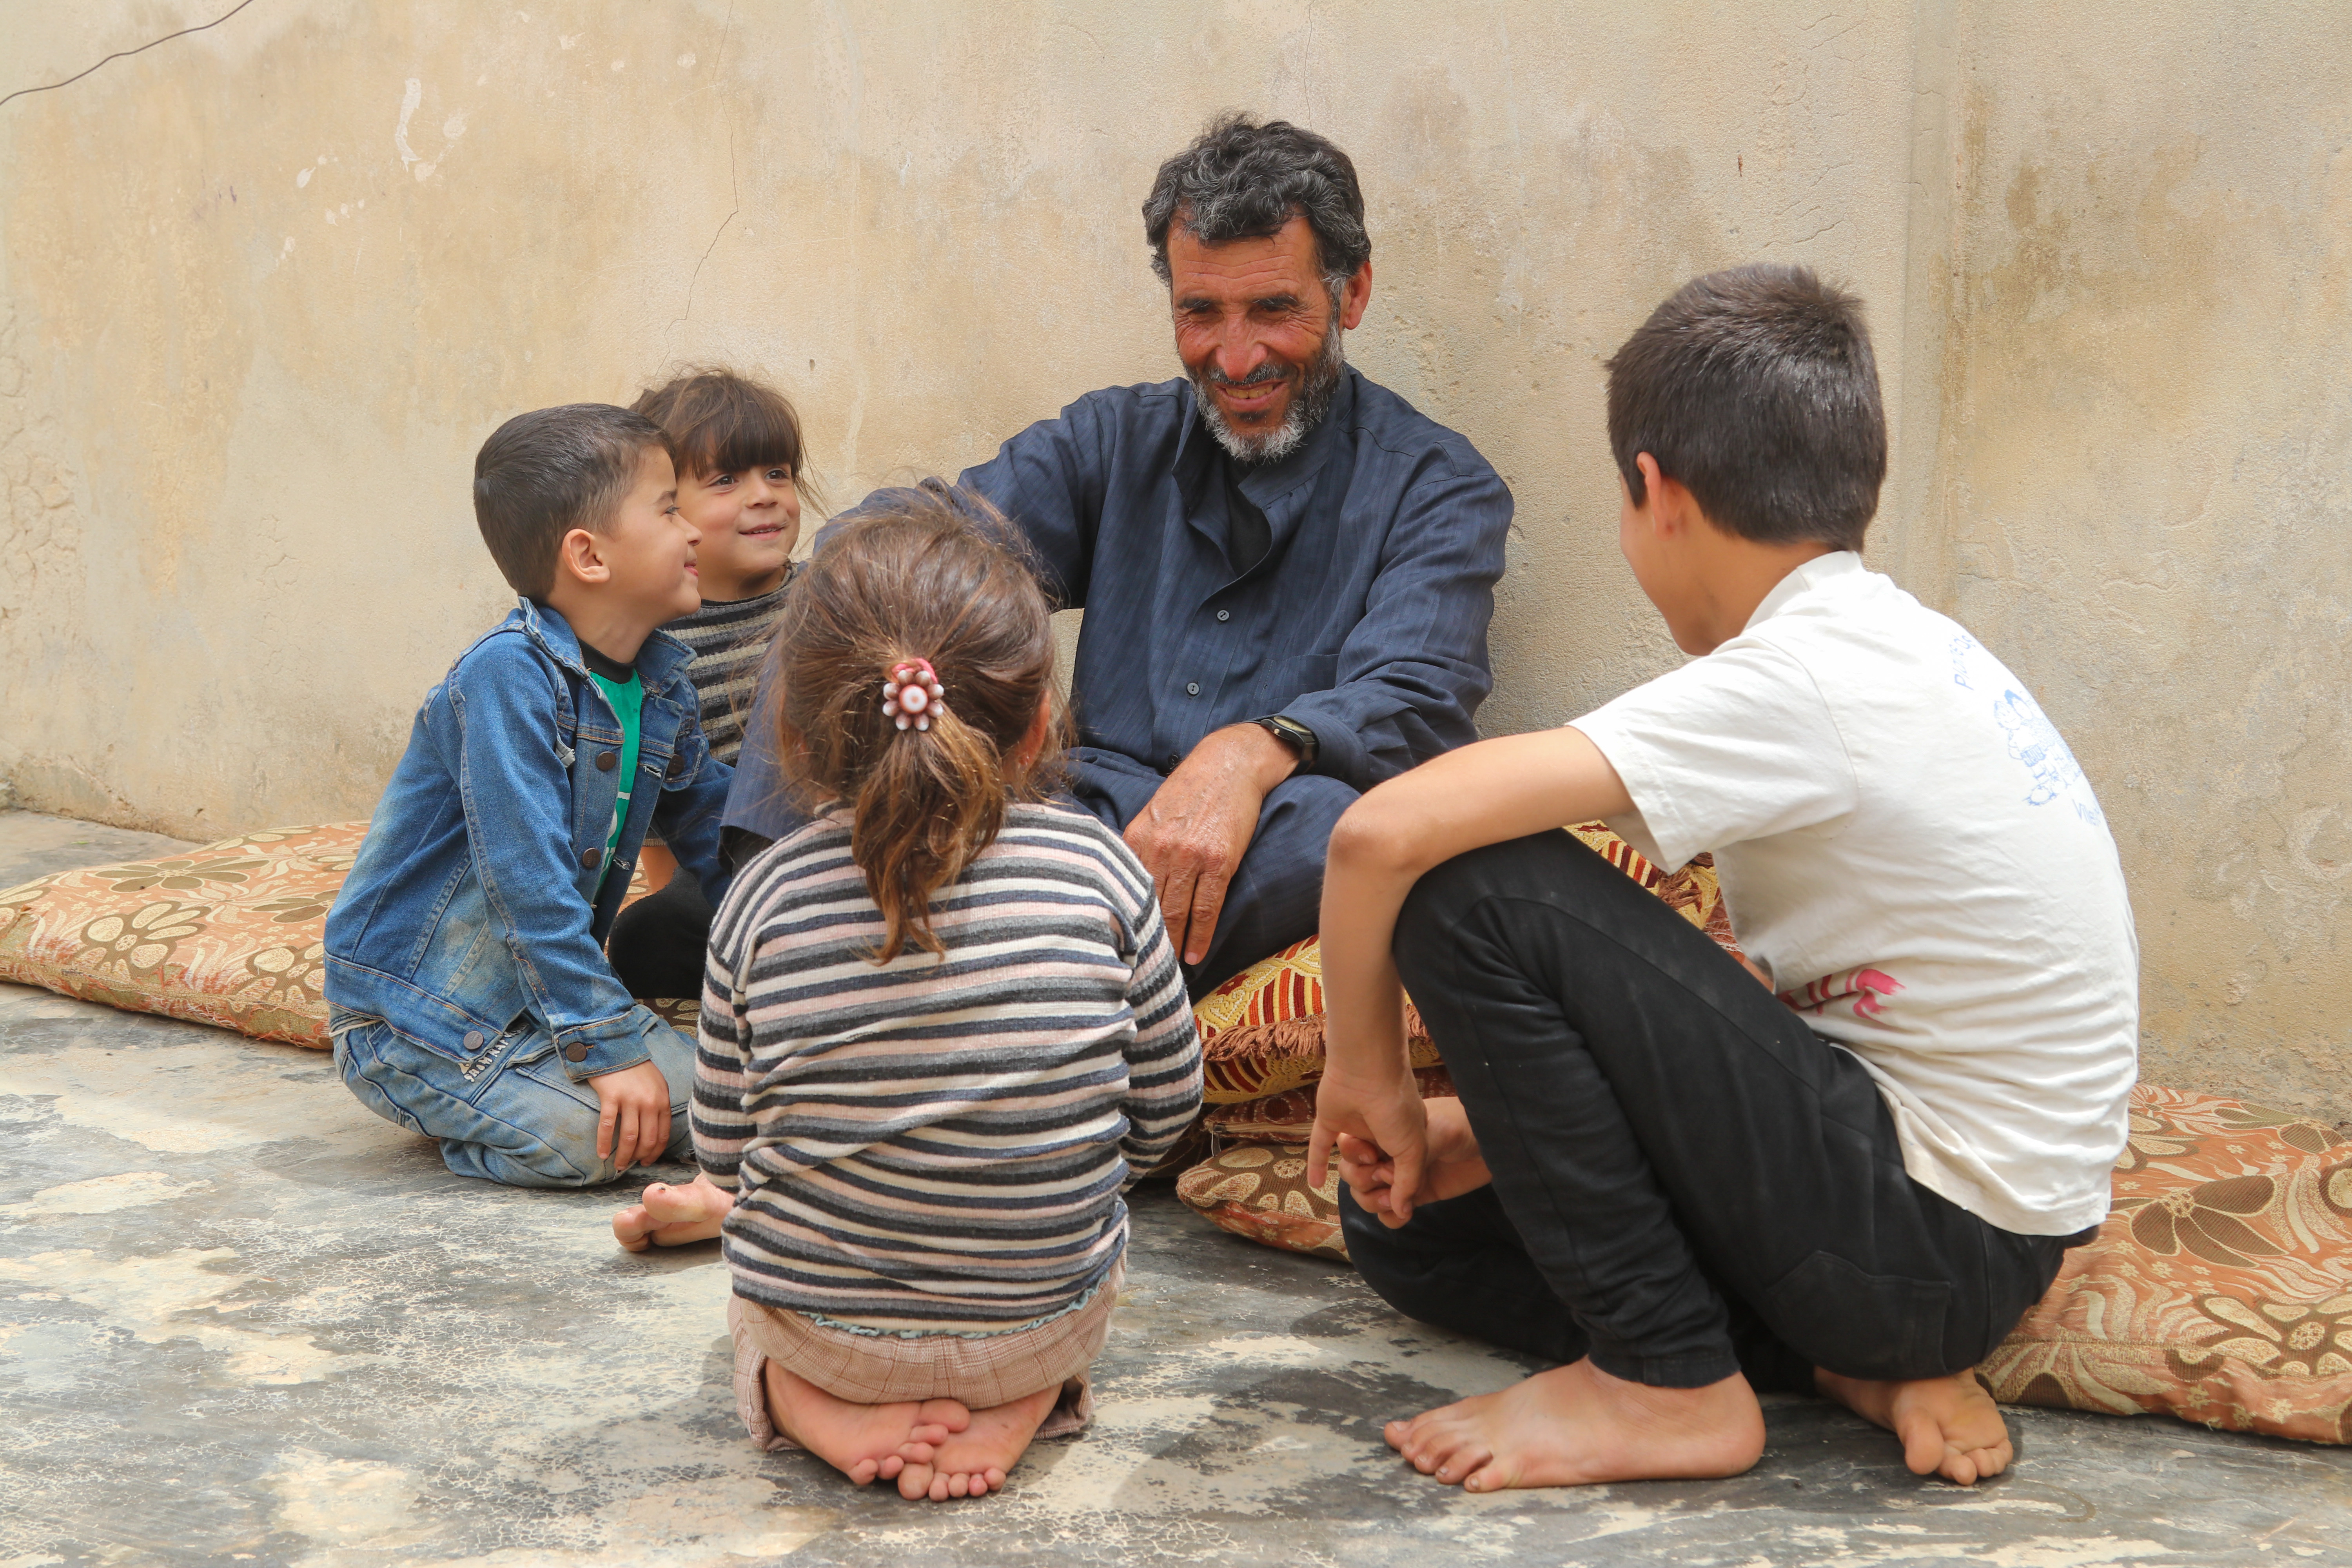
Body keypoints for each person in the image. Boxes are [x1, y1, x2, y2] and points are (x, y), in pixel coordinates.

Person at [1307, 265, 2137, 1492]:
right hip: (1949, 1236)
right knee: (1410, 1234)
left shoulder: (1799, 679)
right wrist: (1479, 1133)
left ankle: (1664, 1389)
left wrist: (1362, 1074)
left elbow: (1379, 834)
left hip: (1929, 1234)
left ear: (1656, 491)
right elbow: (1758, 1035)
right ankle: (1844, 1368)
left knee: (1474, 886)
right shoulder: (1893, 641)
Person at [721, 114, 1512, 994]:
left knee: (1350, 829)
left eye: (1275, 310)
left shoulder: (1438, 484)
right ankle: (770, 917)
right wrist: (872, 576)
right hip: (1057, 813)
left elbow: (1414, 697)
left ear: (1352, 294)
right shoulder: (1113, 439)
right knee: (839, 597)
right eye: (1200, 312)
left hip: (1262, 830)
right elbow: (929, 529)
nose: (1236, 355)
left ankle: (1016, 970)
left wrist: (1252, 750)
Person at [610, 488, 1204, 1502]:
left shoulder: (759, 896)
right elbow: (1165, 1113)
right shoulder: (1102, 869)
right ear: (1039, 731)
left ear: (793, 742)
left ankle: (808, 1401)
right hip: (1038, 1320)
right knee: (1089, 1246)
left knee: (754, 1298)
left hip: (828, 1332)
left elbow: (726, 1150)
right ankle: (1028, 1395)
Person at [323, 405, 735, 1187]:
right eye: (669, 507)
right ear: (589, 555)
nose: (693, 533)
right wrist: (610, 1050)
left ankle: (552, 1075)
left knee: (724, 1113)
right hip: (422, 1020)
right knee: (597, 1142)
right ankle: (477, 1119)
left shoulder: (663, 688)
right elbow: (529, 885)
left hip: (549, 1002)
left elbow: (720, 838)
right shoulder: (507, 677)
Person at [606, 368, 815, 1001]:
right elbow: (660, 804)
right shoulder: (656, 640)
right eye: (726, 480)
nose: (765, 495)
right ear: (669, 509)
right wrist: (682, 898)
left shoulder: (830, 597)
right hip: (729, 869)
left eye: (777, 473)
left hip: (844, 845)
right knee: (646, 936)